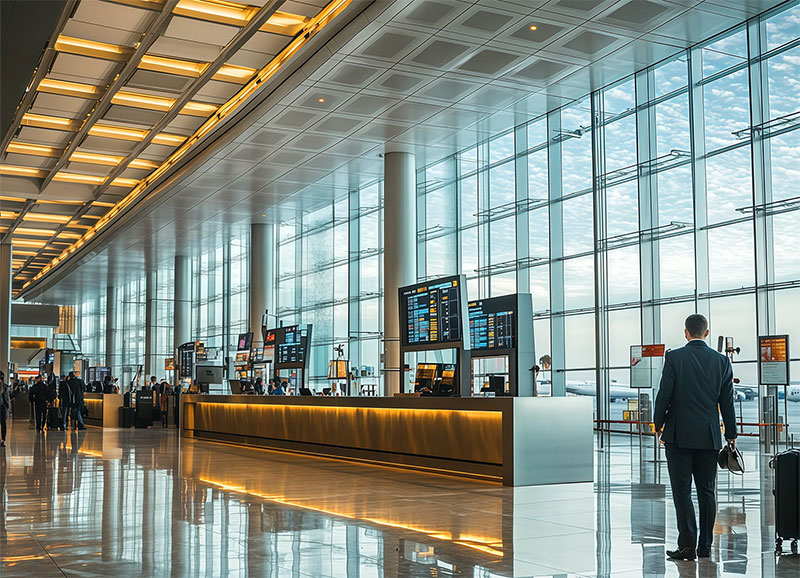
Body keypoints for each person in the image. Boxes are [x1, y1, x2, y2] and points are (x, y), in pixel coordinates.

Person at [654, 314, 737, 561]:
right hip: (709, 436)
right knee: (707, 492)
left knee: (682, 492)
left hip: (678, 436)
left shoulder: (674, 357)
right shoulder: (722, 361)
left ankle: (687, 545)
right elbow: (727, 403)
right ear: (707, 333)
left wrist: (658, 425)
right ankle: (705, 546)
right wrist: (731, 435)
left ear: (686, 332)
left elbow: (663, 395)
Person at [1, 373, 10, 447]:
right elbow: (6, 398)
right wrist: (7, 406)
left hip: (2, 406)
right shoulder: (4, 386)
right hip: (2, 407)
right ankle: (3, 440)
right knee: (3, 423)